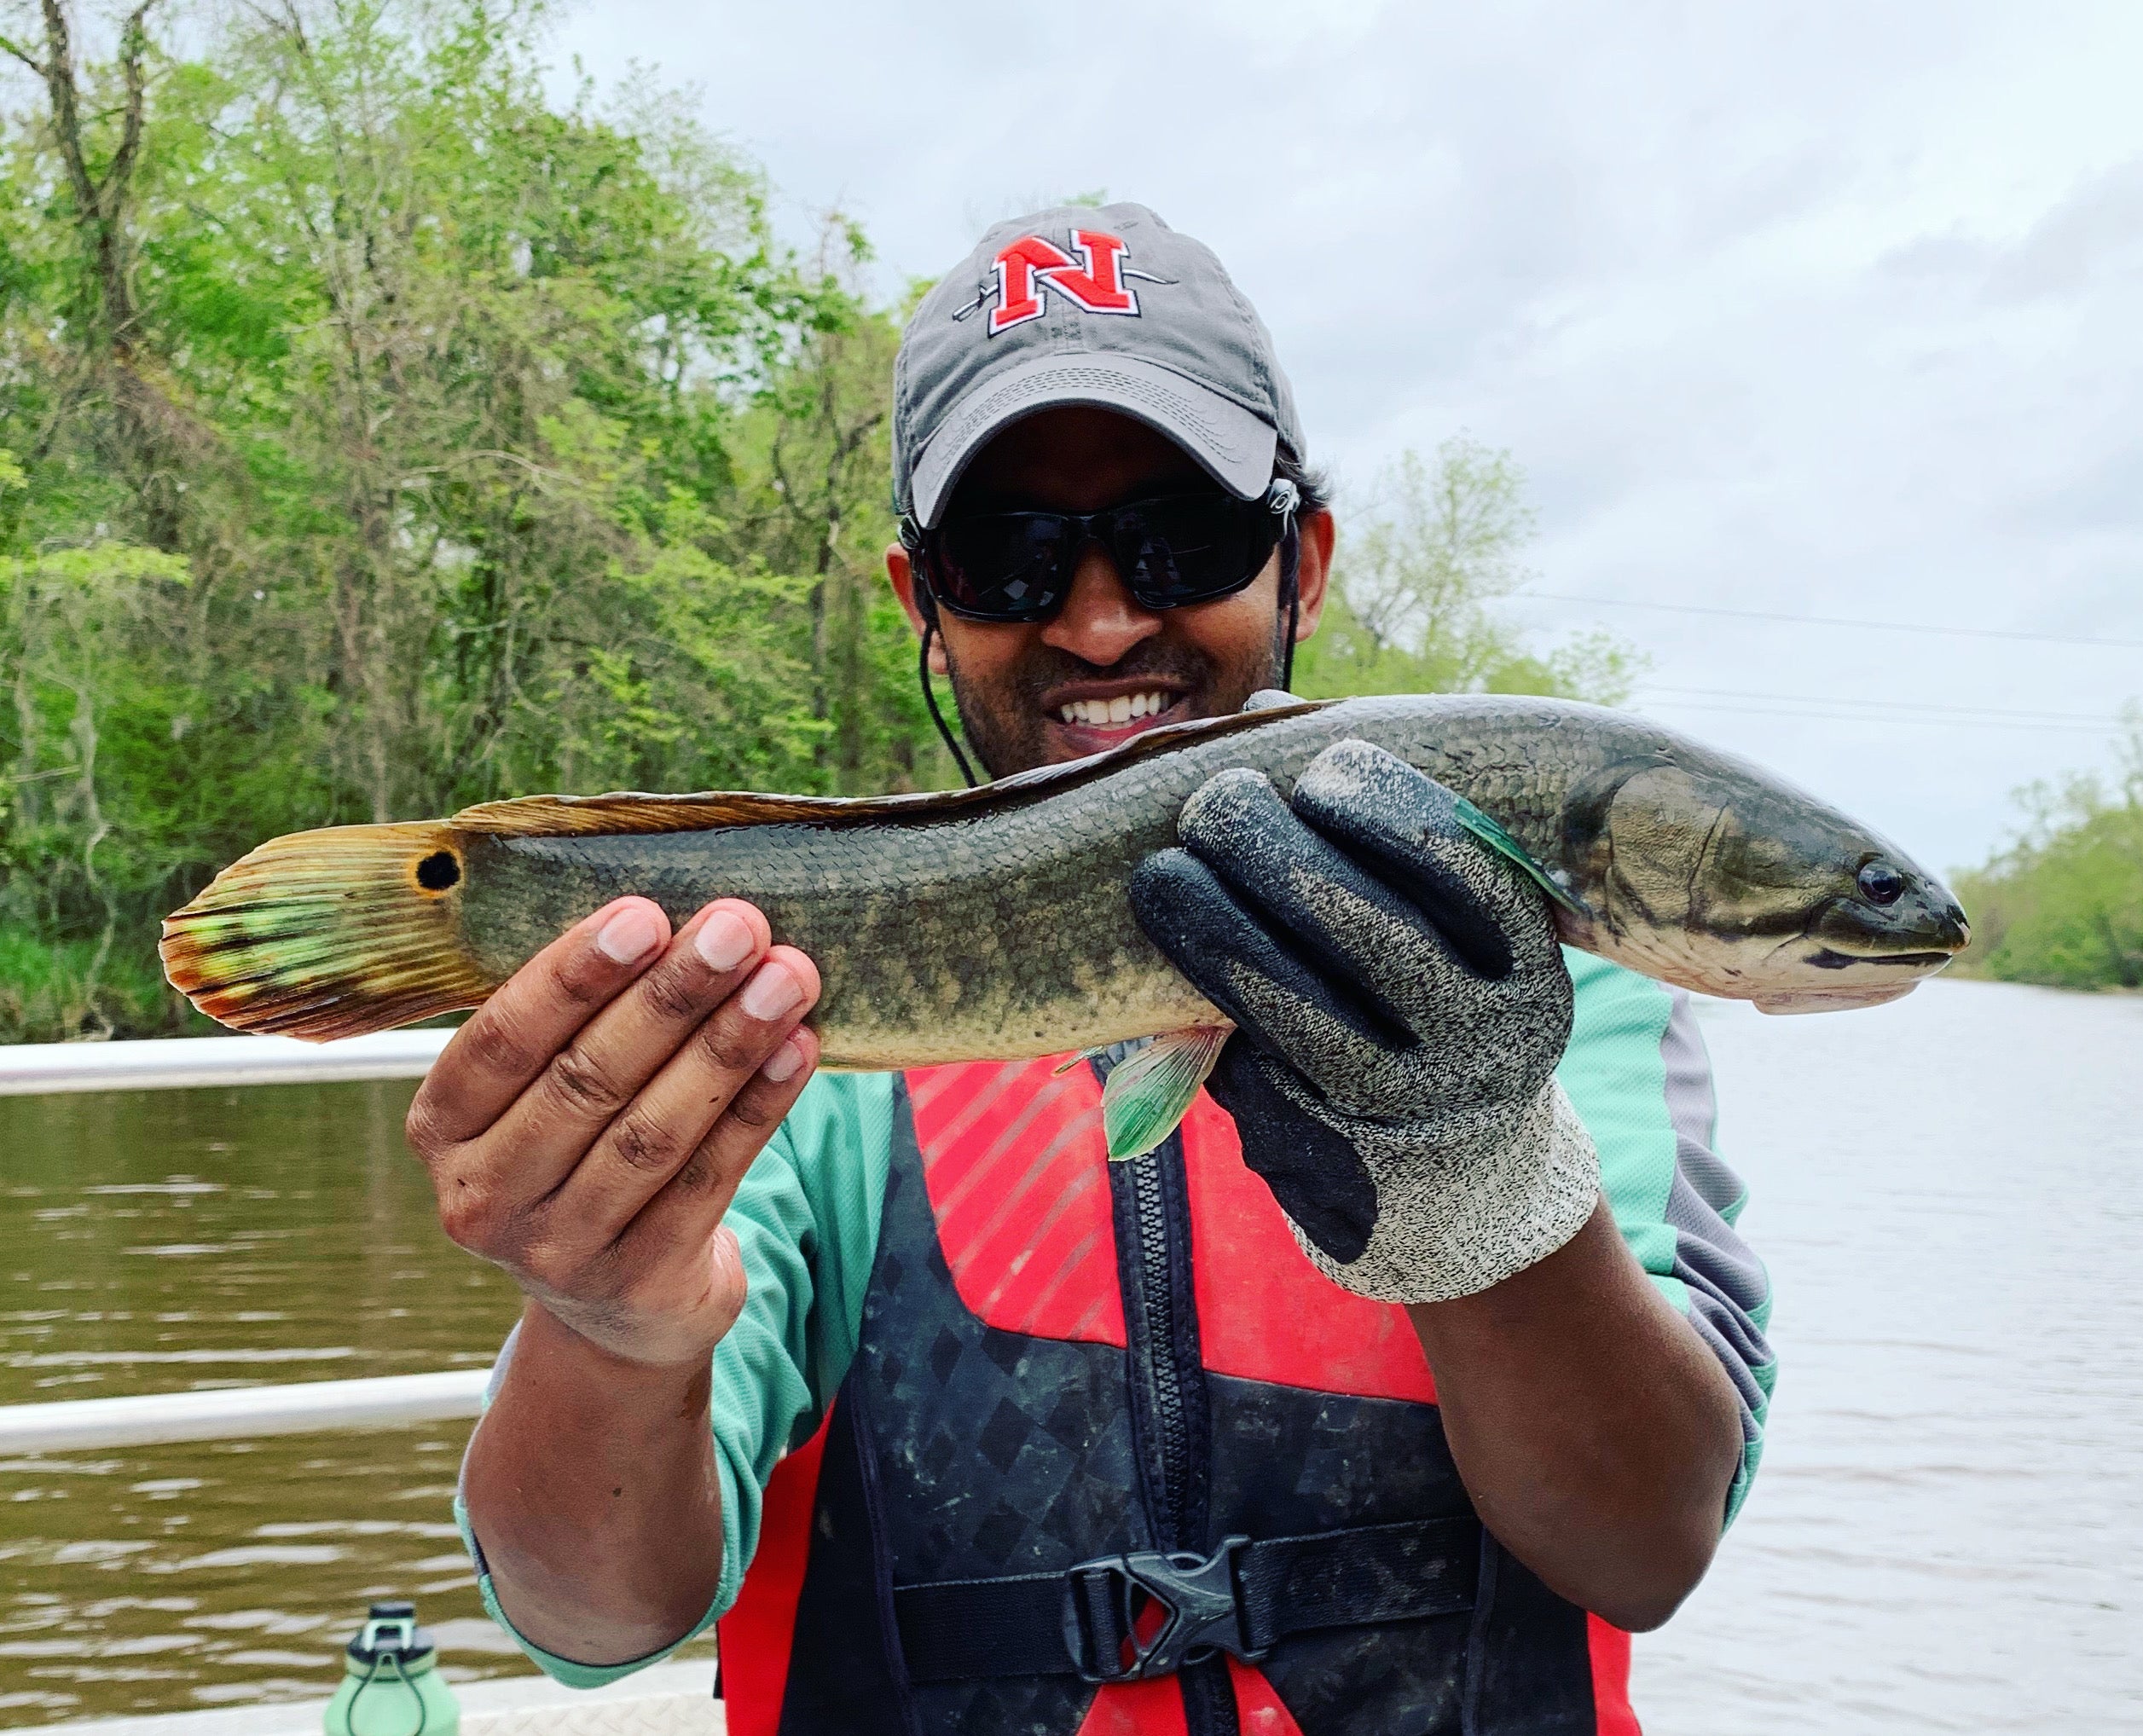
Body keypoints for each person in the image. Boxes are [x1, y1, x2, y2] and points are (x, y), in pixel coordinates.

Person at [421, 203, 1775, 1735]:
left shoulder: (1555, 989)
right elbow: (590, 1618)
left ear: (1300, 564)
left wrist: (1481, 1176)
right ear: (921, 604)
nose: (1102, 616)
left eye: (1177, 537)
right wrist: (605, 1321)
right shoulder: (787, 1026)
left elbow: (1643, 1548)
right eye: (1008, 558)